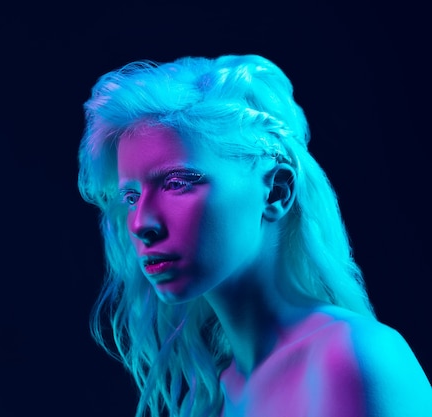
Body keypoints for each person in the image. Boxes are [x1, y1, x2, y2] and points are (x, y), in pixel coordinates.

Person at [77, 54, 431, 417]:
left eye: (177, 183)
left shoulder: (352, 358)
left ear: (276, 191)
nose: (140, 223)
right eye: (131, 197)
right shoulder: (218, 389)